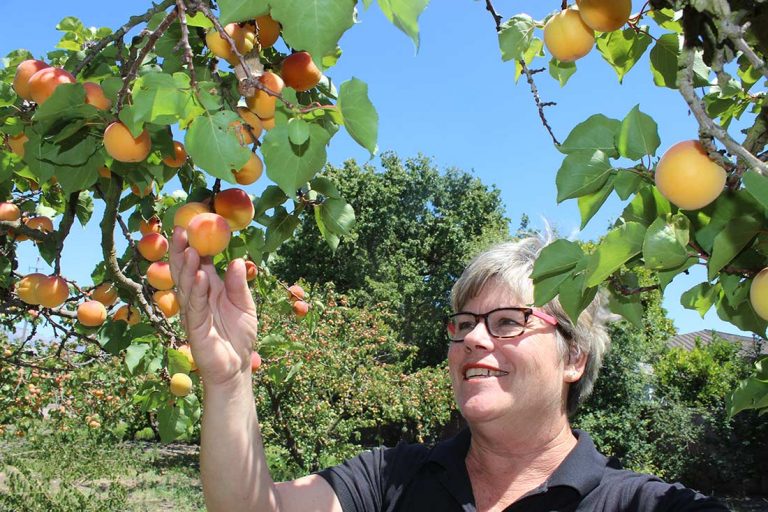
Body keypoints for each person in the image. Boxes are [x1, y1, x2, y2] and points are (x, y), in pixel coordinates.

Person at [169, 228, 728, 511]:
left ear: (574, 357)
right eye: (464, 323)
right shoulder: (392, 480)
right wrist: (229, 379)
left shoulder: (641, 505)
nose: (473, 339)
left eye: (508, 322)